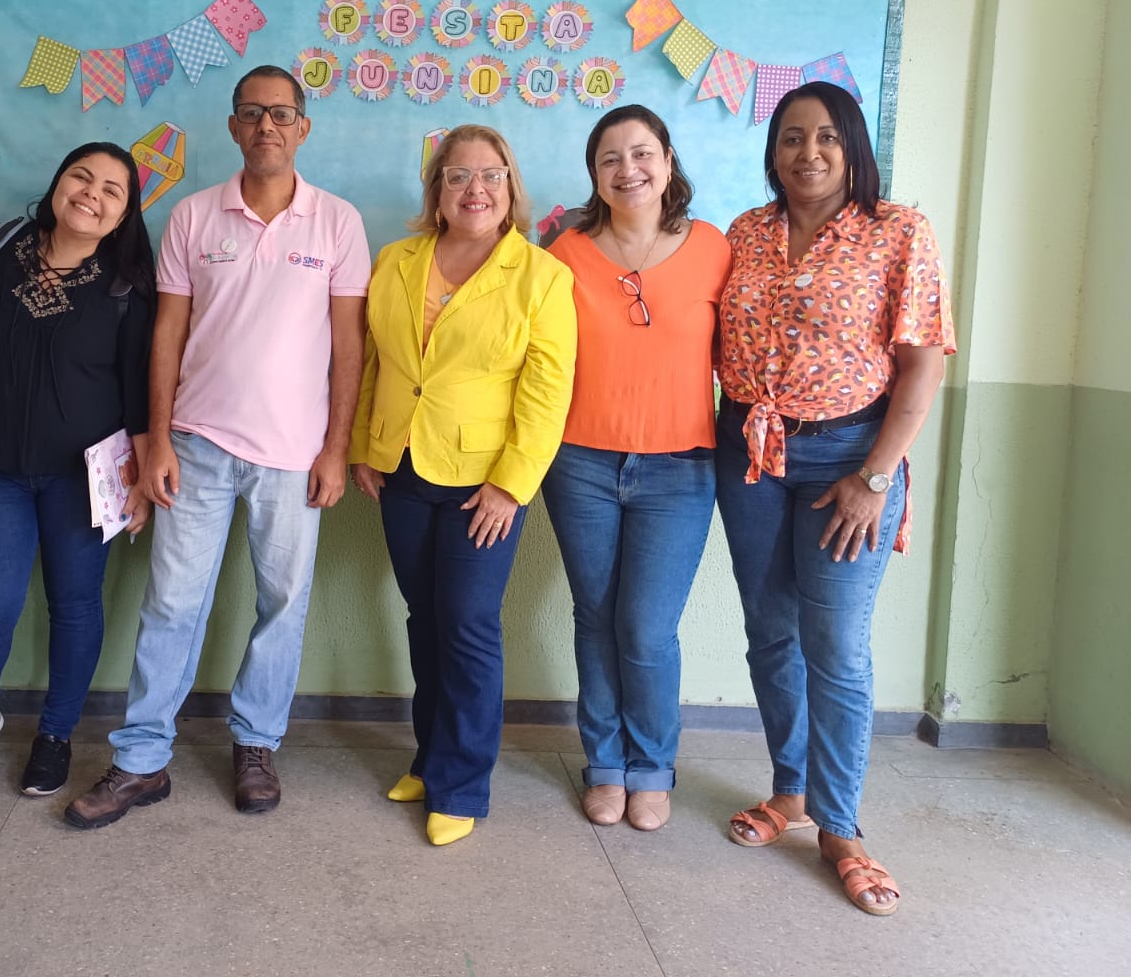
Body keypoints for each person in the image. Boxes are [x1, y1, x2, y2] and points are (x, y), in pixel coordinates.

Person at [64, 65, 370, 828]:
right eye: (252, 113)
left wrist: (336, 449)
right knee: (171, 602)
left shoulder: (338, 222)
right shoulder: (194, 215)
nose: (267, 125)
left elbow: (349, 347)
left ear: (303, 128)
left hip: (293, 455)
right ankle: (142, 759)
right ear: (233, 127)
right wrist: (158, 442)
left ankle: (257, 742)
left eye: (281, 113)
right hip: (195, 444)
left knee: (283, 603)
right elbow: (166, 333)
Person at [716, 81, 955, 915]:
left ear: (852, 146)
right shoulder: (746, 232)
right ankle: (791, 790)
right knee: (769, 630)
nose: (807, 153)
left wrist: (876, 477)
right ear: (773, 150)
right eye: (791, 137)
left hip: (851, 460)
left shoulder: (899, 231)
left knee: (837, 645)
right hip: (750, 454)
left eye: (825, 136)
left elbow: (923, 365)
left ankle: (842, 826)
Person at [349, 124, 576, 846]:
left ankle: (462, 786)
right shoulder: (396, 260)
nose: (475, 189)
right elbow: (377, 363)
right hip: (402, 467)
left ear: (510, 187)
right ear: (437, 190)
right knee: (425, 619)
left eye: (490, 175)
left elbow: (547, 393)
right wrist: (365, 448)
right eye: (458, 176)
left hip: (485, 484)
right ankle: (430, 758)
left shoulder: (541, 276)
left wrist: (512, 486)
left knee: (469, 625)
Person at [0, 142, 155, 795]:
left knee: (76, 607)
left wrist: (143, 479)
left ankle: (56, 733)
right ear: (57, 183)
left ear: (124, 213)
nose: (92, 194)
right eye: (81, 177)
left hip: (83, 479)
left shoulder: (126, 284)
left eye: (112, 190)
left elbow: (140, 390)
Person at [541, 106, 731, 832]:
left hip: (680, 470)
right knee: (595, 616)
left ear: (668, 161)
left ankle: (651, 766)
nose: (629, 169)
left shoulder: (712, 248)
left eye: (642, 153)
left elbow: (741, 352)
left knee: (647, 628)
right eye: (611, 158)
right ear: (595, 175)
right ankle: (605, 765)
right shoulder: (564, 253)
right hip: (580, 464)